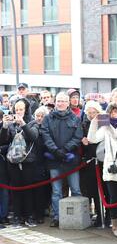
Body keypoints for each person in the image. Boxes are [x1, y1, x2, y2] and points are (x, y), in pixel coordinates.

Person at [88, 102, 117, 237]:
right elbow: (92, 139)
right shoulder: (105, 128)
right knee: (114, 198)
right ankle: (115, 226)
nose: (114, 114)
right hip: (110, 168)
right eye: (112, 112)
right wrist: (95, 122)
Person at [41, 92, 83, 227]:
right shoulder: (48, 118)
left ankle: (78, 216)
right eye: (58, 101)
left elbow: (78, 137)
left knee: (75, 189)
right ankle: (56, 217)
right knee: (56, 191)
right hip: (54, 160)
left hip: (70, 159)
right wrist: (55, 150)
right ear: (55, 102)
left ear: (68, 102)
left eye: (63, 101)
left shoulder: (75, 118)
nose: (60, 103)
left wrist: (65, 150)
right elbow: (45, 135)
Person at [0, 98, 39, 227]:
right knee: (15, 190)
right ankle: (17, 216)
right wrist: (5, 127)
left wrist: (23, 124)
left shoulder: (33, 122)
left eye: (21, 109)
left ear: (26, 109)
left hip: (28, 161)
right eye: (17, 109)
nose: (19, 111)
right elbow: (4, 141)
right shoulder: (11, 124)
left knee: (28, 190)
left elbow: (33, 137)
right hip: (13, 162)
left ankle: (29, 215)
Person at [81, 100, 105, 228]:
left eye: (94, 112)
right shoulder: (84, 124)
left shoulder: (103, 122)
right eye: (89, 113)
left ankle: (106, 217)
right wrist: (83, 142)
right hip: (90, 160)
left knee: (105, 190)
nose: (91, 115)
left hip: (103, 159)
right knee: (93, 190)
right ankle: (96, 215)